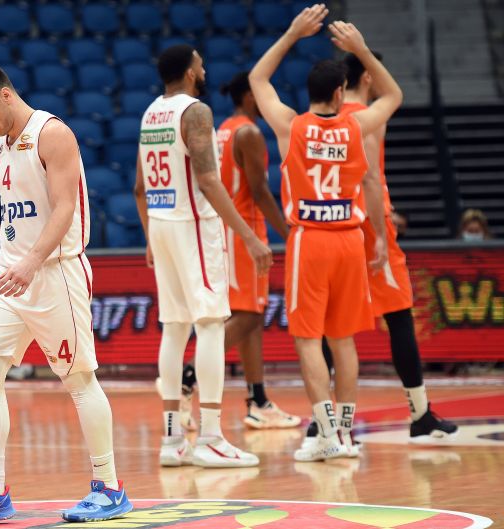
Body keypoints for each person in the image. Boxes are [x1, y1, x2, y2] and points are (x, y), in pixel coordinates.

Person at [0, 64, 132, 524]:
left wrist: (31, 262)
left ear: (5, 95)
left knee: (79, 379)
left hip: (54, 273)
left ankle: (110, 488)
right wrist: (15, 262)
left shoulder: (53, 133)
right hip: (10, 277)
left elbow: (65, 208)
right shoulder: (0, 146)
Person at [249, 5, 401, 461]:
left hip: (309, 240)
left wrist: (292, 34)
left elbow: (258, 79)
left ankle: (328, 434)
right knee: (344, 339)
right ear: (340, 92)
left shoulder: (291, 126)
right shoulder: (357, 125)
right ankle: (346, 434)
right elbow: (393, 95)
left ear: (311, 92)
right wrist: (362, 51)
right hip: (350, 238)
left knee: (307, 339)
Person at [134, 45, 272, 468]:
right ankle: (210, 437)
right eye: (200, 64)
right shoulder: (195, 111)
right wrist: (249, 236)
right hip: (193, 225)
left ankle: (173, 440)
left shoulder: (150, 113)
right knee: (210, 324)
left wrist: (150, 237)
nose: (205, 68)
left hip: (162, 224)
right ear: (191, 73)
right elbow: (210, 181)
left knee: (174, 329)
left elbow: (139, 187)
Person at [310, 52, 458, 446]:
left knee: (332, 327)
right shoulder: (366, 116)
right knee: (399, 316)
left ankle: (321, 419)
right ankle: (420, 414)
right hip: (368, 224)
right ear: (368, 78)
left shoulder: (329, 119)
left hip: (335, 223)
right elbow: (371, 178)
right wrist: (380, 229)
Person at [165, 72, 301, 431]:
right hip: (244, 231)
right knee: (250, 317)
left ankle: (258, 401)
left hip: (225, 229)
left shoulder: (225, 128)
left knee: (247, 317)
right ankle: (186, 378)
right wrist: (289, 233)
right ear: (251, 97)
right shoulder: (249, 133)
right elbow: (259, 191)